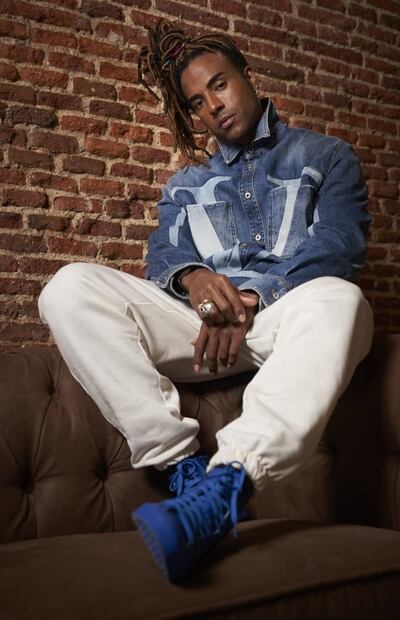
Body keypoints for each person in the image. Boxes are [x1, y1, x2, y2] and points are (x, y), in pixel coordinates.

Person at [38, 19, 374, 582]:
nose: (213, 106)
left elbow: (339, 247)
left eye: (219, 84)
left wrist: (249, 298)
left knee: (343, 298)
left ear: (247, 75)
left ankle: (226, 487)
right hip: (200, 332)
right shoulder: (183, 186)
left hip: (283, 320)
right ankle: (184, 471)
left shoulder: (328, 155)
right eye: (197, 102)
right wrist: (194, 280)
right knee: (68, 287)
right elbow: (164, 255)